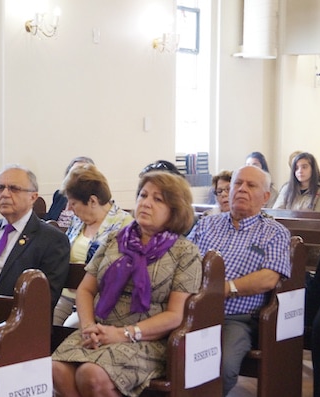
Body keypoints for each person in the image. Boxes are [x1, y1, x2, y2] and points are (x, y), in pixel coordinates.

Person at [52, 171, 202, 397]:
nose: (146, 203)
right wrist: (88, 326)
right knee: (56, 370)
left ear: (175, 209)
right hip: (99, 332)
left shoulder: (185, 251)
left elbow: (175, 315)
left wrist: (124, 333)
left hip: (147, 340)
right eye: (143, 195)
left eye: (157, 199)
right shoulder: (115, 239)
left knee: (90, 376)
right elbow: (86, 289)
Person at [188, 165, 291, 396]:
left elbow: (269, 277)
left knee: (221, 368)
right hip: (192, 310)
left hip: (236, 319)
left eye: (251, 185)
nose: (242, 189)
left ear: (265, 197)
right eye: (238, 183)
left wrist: (225, 289)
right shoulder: (207, 224)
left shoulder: (274, 232)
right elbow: (183, 260)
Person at [0, 164, 70, 361]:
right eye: (0, 188)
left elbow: (42, 302)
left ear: (33, 197)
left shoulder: (52, 241)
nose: (5, 194)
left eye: (14, 189)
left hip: (10, 332)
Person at [52, 163, 133, 327]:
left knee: (69, 327)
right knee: (39, 323)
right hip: (66, 294)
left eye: (73, 203)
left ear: (92, 201)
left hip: (99, 299)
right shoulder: (77, 220)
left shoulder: (124, 225)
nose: (68, 208)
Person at [45, 156, 95, 228]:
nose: (77, 177)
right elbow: (48, 219)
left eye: (82, 173)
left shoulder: (93, 200)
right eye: (73, 173)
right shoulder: (60, 195)